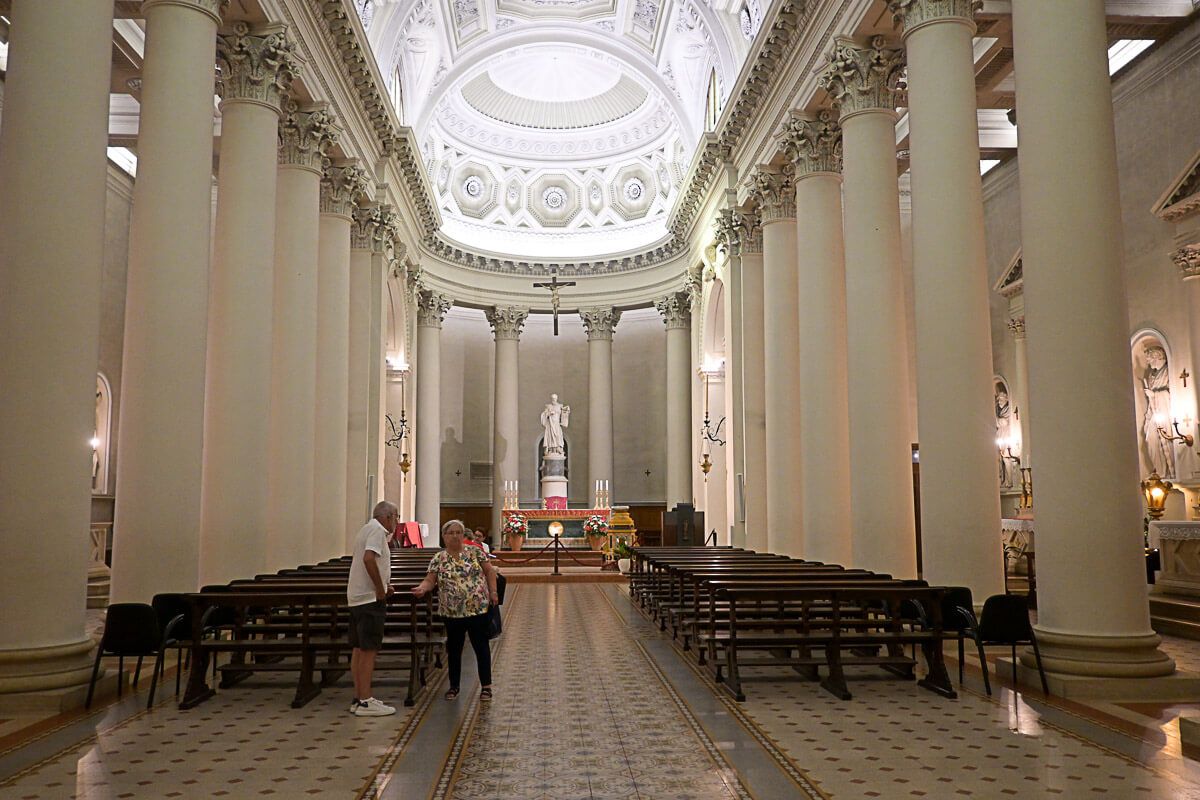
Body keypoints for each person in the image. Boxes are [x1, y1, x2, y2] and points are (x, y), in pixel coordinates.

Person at [412, 519, 499, 701]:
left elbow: (490, 571)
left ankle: (486, 686)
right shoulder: (439, 558)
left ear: (463, 534)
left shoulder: (475, 552)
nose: (455, 536)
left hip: (477, 609)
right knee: (454, 649)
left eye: (458, 532)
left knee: (481, 647)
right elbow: (430, 579)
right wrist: (422, 588)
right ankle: (454, 686)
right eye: (450, 532)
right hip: (451, 611)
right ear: (444, 536)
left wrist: (493, 592)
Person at [346, 500, 400, 716]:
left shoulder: (366, 529)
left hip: (357, 598)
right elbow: (369, 559)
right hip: (369, 600)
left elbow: (368, 561)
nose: (397, 522)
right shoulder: (378, 531)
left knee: (359, 649)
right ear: (387, 517)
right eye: (396, 517)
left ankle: (358, 698)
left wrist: (385, 584)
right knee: (369, 650)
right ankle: (367, 701)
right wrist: (380, 588)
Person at [1142, 345, 1176, 478]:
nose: (1148, 362)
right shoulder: (1151, 375)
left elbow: (1171, 392)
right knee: (1150, 438)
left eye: (1149, 359)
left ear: (1156, 357)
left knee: (1168, 438)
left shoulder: (1168, 371)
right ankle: (1160, 470)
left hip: (1165, 412)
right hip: (1154, 412)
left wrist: (1154, 395)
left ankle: (1168, 471)